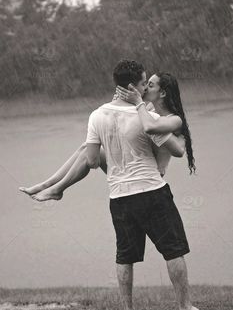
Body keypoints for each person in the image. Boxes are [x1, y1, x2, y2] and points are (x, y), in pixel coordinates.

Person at [85, 59, 198, 310]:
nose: (146, 87)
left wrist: (116, 173)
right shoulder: (150, 116)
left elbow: (91, 160)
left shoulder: (96, 115)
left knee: (125, 256)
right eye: (144, 82)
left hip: (119, 197)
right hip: (151, 192)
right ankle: (185, 306)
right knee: (173, 249)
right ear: (134, 87)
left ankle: (127, 308)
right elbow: (175, 150)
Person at [19, 77, 185, 202]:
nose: (144, 88)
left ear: (162, 93)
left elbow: (175, 147)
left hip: (150, 173)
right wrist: (118, 103)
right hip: (132, 163)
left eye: (150, 85)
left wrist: (135, 103)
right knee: (86, 147)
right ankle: (48, 184)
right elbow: (127, 124)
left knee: (92, 153)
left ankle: (57, 189)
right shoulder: (148, 108)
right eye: (145, 83)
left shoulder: (170, 118)